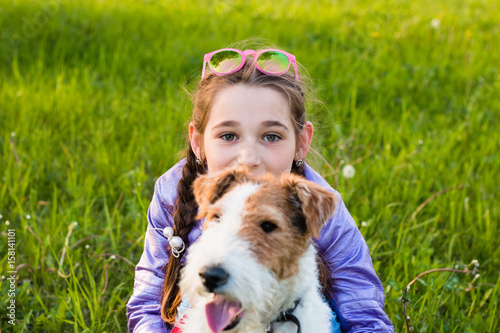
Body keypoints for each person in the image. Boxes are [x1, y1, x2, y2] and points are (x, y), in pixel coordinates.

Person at [127, 46, 394, 333]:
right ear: (198, 141)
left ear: (301, 142)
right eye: (228, 135)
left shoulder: (312, 202)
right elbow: (147, 302)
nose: (249, 158)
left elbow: (363, 306)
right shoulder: (173, 192)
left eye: (271, 136)